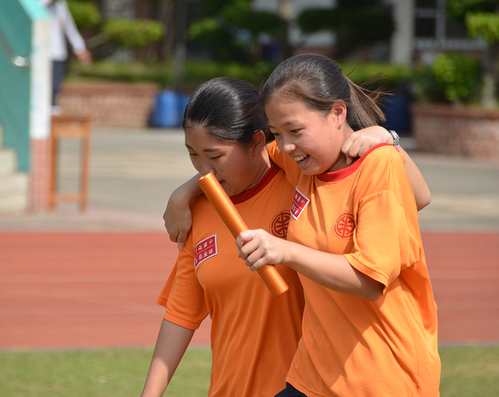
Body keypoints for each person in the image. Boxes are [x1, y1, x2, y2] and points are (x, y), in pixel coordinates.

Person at [142, 77, 430, 397]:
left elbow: (413, 197)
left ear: (256, 142)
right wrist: (184, 193)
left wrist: (387, 139)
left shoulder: (299, 174)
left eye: (215, 155)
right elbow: (181, 314)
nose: (203, 169)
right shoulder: (199, 210)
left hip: (311, 384)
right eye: (192, 155)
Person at [236, 54, 440, 396]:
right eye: (277, 132)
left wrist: (285, 250)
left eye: (295, 130)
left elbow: (369, 280)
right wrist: (185, 194)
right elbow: (240, 165)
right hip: (312, 377)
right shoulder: (300, 159)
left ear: (337, 113)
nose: (285, 145)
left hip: (381, 379)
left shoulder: (379, 164)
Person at [40, 0, 91, 108]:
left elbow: (69, 25)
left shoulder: (61, 4)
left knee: (55, 87)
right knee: (40, 87)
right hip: (39, 53)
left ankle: (52, 110)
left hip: (57, 52)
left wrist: (79, 47)